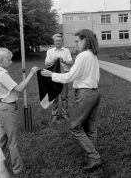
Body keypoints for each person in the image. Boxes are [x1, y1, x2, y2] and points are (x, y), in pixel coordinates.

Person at [41, 29, 102, 171]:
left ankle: (94, 156)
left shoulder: (82, 56)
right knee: (90, 127)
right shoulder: (93, 55)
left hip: (85, 94)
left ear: (85, 41)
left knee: (75, 127)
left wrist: (51, 74)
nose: (76, 45)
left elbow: (69, 77)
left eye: (77, 41)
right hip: (95, 92)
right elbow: (79, 74)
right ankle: (92, 155)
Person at [0, 48, 39, 176]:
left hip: (2, 107)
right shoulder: (2, 74)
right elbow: (19, 89)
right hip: (7, 109)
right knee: (13, 140)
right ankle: (18, 169)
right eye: (9, 59)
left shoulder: (0, 73)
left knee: (1, 139)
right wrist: (31, 74)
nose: (11, 62)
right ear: (1, 60)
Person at [45, 34, 73, 123]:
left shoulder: (66, 50)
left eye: (59, 40)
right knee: (54, 96)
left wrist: (64, 60)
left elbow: (70, 62)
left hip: (64, 75)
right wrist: (53, 60)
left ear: (62, 41)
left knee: (64, 96)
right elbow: (46, 63)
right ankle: (55, 115)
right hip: (53, 74)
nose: (58, 42)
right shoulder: (50, 51)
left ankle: (65, 114)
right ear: (54, 42)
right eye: (56, 40)